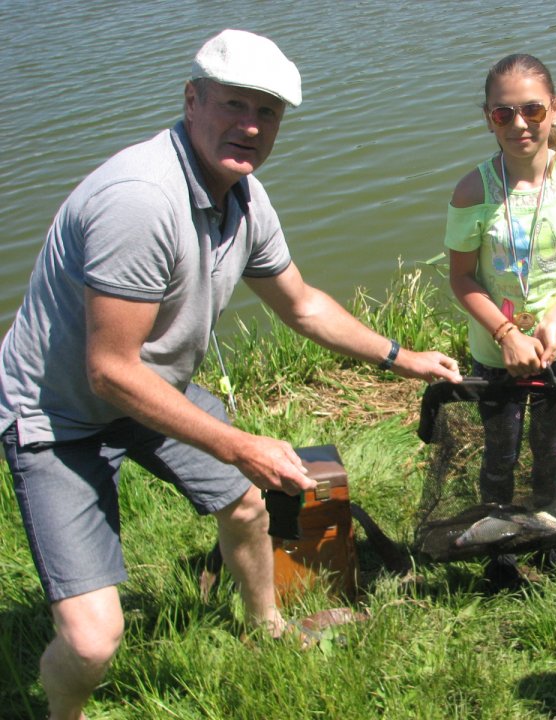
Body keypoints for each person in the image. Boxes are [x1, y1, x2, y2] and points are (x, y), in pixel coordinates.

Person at [0, 29, 461, 720]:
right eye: (233, 105)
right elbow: (108, 372)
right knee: (94, 642)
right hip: (59, 413)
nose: (250, 126)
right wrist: (241, 445)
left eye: (268, 113)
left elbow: (301, 305)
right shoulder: (140, 201)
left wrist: (403, 357)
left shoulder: (243, 196)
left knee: (244, 505)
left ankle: (268, 630)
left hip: (146, 384)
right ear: (192, 101)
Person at [444, 53, 556, 586]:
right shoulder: (472, 192)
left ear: (555, 110)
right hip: (496, 351)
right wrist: (505, 333)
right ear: (488, 118)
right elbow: (462, 278)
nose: (520, 124)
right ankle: (500, 548)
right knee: (499, 451)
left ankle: (548, 534)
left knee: (551, 446)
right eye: (503, 114)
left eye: (532, 110)